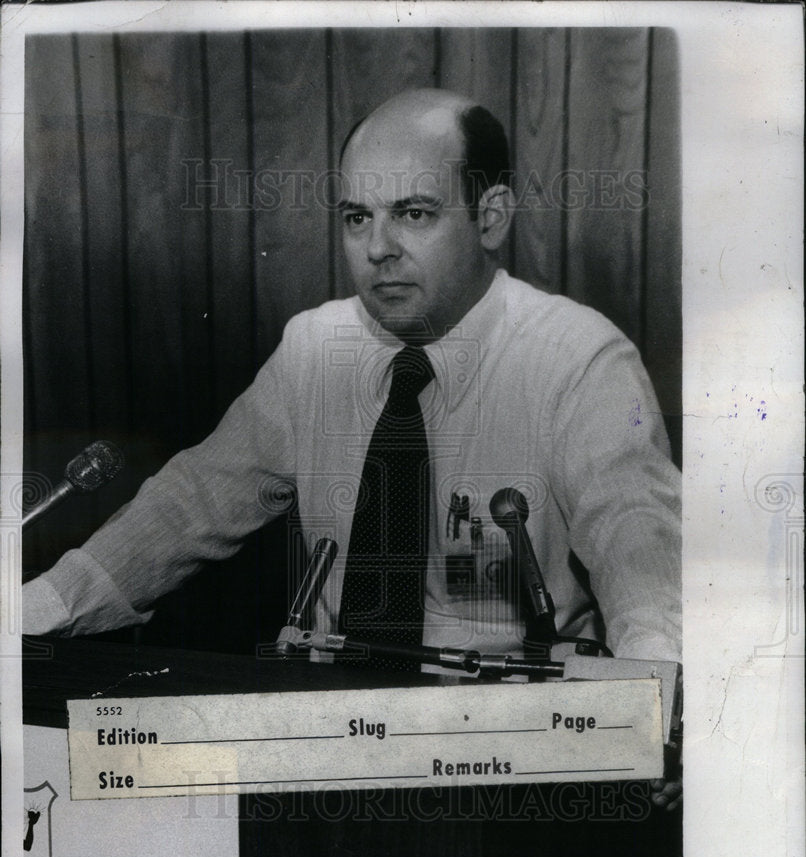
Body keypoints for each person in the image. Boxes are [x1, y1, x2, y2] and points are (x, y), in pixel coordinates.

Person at [23, 88, 681, 807]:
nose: (377, 250)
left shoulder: (578, 358)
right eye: (357, 218)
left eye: (414, 214)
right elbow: (191, 505)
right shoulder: (315, 346)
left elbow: (639, 545)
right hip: (325, 747)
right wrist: (30, 614)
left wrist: (648, 709)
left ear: (490, 217)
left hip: (499, 764)